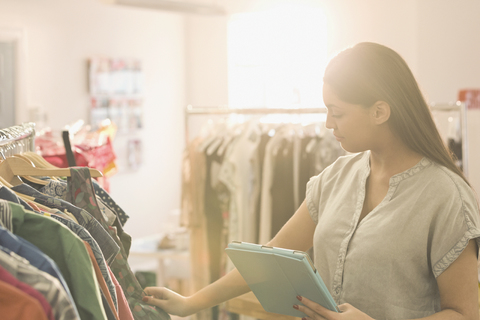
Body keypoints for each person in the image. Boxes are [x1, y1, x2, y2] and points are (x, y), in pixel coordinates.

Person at [143, 42, 480, 320]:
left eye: (338, 112)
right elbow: (270, 257)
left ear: (380, 111)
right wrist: (190, 303)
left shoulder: (445, 195)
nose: (327, 124)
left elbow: (465, 313)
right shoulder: (335, 178)